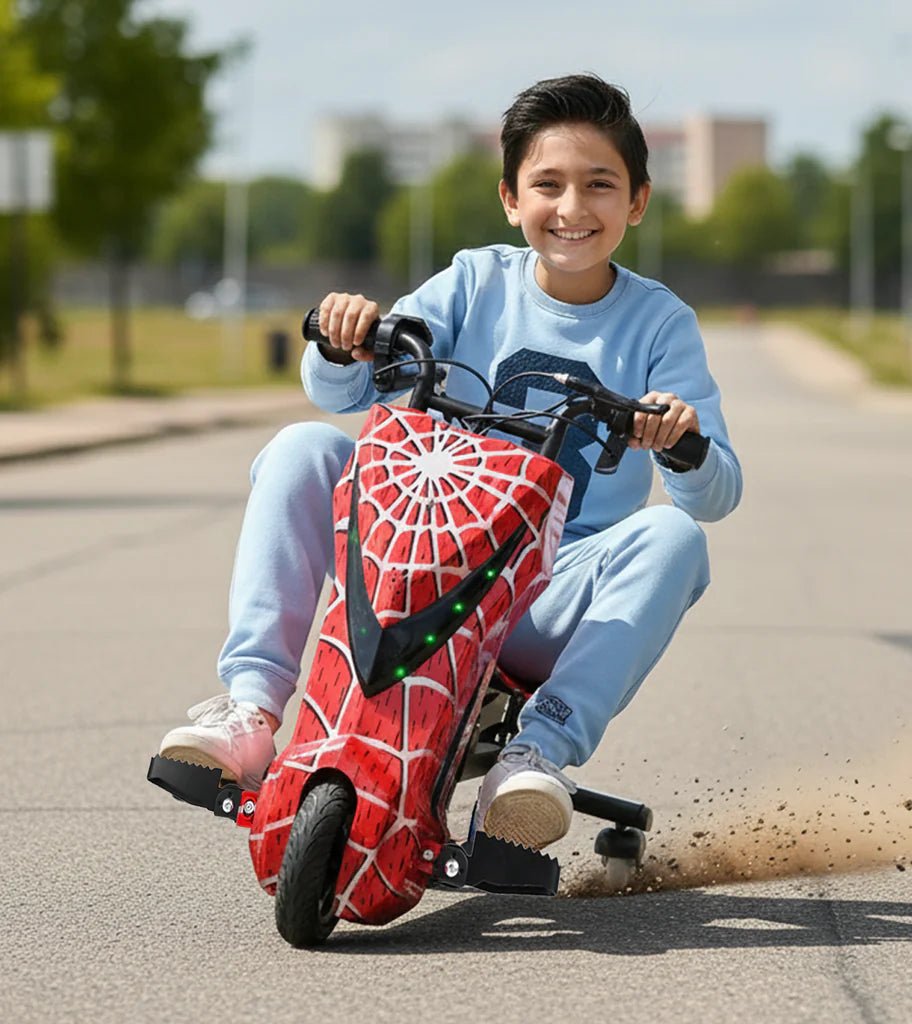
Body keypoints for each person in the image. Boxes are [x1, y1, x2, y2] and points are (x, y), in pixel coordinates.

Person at [158, 73, 742, 851]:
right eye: (548, 185)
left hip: (541, 592)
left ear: (636, 201)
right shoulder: (473, 280)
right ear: (510, 198)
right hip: (414, 552)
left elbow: (713, 495)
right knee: (302, 445)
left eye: (599, 185)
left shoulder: (658, 324)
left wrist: (680, 440)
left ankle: (536, 758)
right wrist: (343, 339)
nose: (572, 209)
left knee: (675, 538)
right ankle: (253, 709)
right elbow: (352, 384)